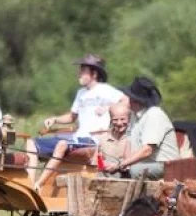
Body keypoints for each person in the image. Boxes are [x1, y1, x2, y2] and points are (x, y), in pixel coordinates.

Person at [27, 54, 127, 189]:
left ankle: (39, 184)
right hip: (77, 138)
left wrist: (109, 107)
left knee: (62, 144)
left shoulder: (106, 90)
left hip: (93, 139)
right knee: (31, 143)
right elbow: (72, 117)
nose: (78, 74)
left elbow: (126, 101)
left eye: (83, 71)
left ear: (94, 74)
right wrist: (55, 119)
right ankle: (30, 184)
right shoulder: (81, 93)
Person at [103, 77, 179, 179]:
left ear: (135, 100)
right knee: (110, 165)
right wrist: (123, 164)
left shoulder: (154, 115)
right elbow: (129, 143)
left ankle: (137, 194)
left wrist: (121, 165)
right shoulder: (135, 115)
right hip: (145, 163)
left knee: (135, 170)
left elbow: (147, 150)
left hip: (165, 165)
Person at [93, 103, 131, 172]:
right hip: (104, 177)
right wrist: (102, 164)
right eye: (115, 119)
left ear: (129, 119)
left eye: (123, 119)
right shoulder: (101, 139)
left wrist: (117, 166)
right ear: (111, 120)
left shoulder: (133, 139)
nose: (119, 123)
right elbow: (95, 162)